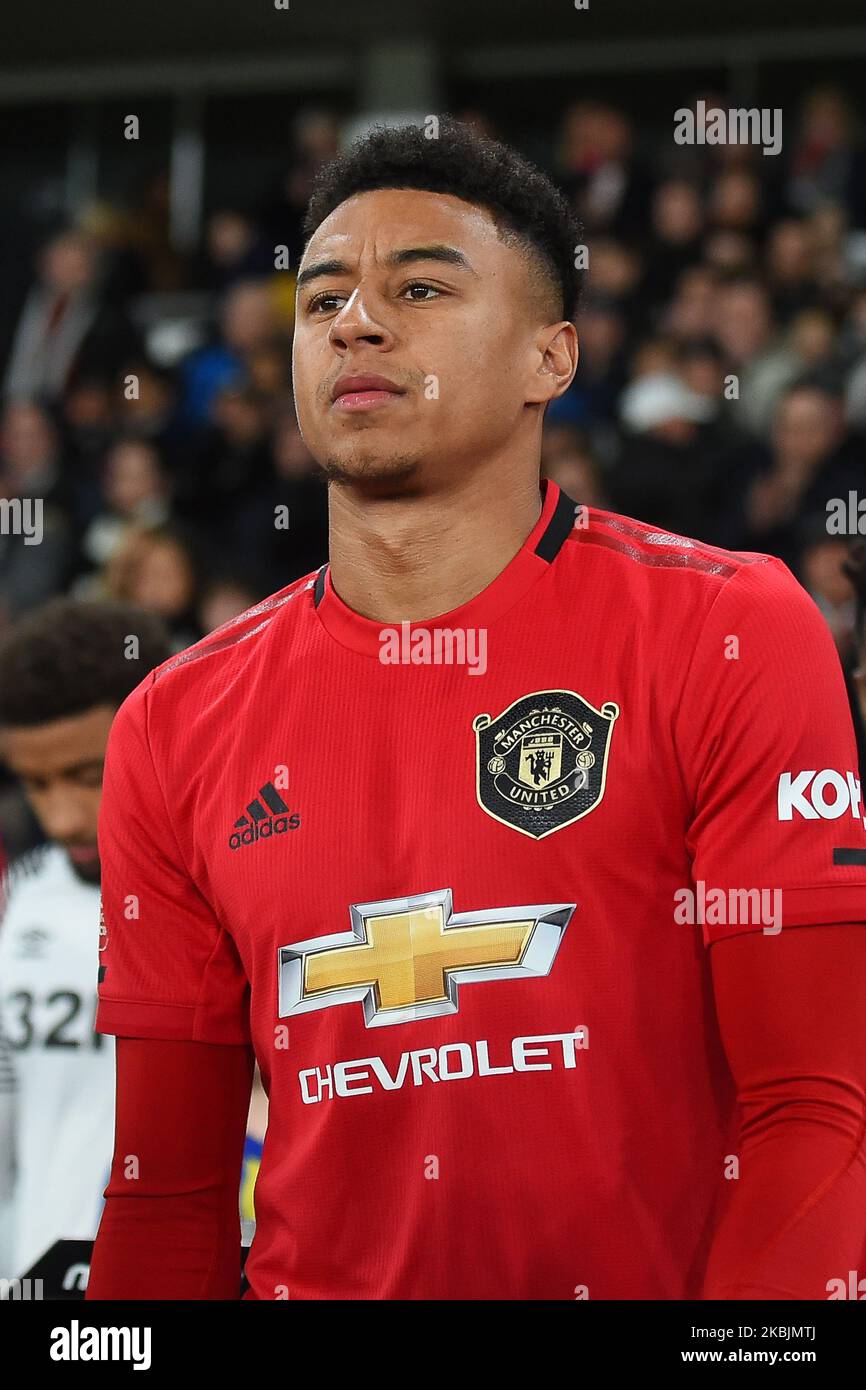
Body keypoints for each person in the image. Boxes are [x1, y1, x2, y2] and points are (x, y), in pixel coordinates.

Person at [88, 118, 866, 1302]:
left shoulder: (729, 629)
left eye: (420, 287)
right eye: (322, 299)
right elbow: (166, 1195)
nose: (353, 320)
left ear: (549, 359)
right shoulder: (170, 723)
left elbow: (815, 1112)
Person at [0, 599, 172, 1278]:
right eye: (35, 784)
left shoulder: (242, 898)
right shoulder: (16, 905)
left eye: (88, 776)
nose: (65, 817)